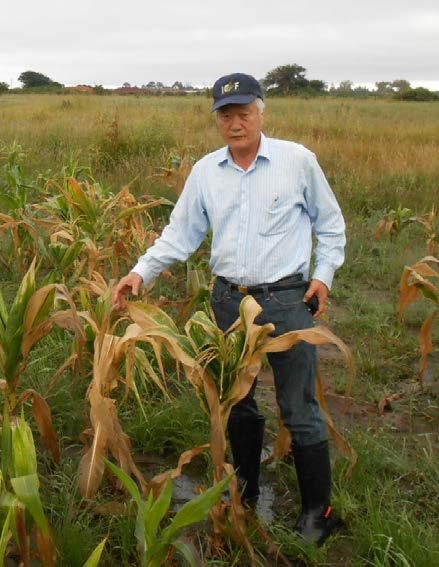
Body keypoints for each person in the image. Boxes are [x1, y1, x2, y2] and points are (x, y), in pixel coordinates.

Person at [112, 72, 346, 544]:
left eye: (244, 113)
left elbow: (332, 224)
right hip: (229, 300)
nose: (235, 123)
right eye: (226, 115)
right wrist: (142, 271)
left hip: (287, 298)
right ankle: (243, 490)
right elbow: (181, 234)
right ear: (216, 119)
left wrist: (324, 275)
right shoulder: (206, 172)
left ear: (262, 112)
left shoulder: (297, 161)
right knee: (235, 401)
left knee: (297, 405)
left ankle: (317, 514)